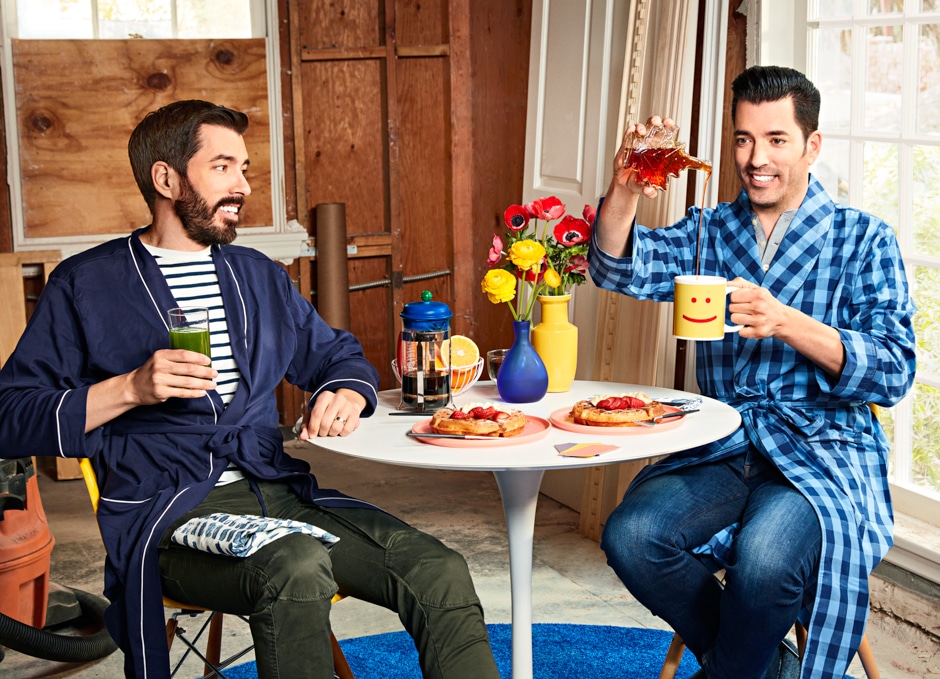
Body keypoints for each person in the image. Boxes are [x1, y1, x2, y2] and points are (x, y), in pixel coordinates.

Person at [0, 100, 500, 679]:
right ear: (166, 178)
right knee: (297, 564)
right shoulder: (85, 284)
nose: (242, 186)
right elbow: (11, 414)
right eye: (223, 168)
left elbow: (335, 354)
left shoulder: (258, 274)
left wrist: (346, 392)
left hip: (276, 490)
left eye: (244, 169)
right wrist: (131, 388)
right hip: (167, 510)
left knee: (436, 568)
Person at [589, 65, 916, 678]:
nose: (755, 158)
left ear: (811, 145)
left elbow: (894, 369)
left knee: (765, 563)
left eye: (776, 140)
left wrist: (789, 322)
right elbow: (614, 269)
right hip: (725, 442)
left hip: (825, 451)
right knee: (631, 536)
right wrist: (626, 188)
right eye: (743, 139)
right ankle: (765, 667)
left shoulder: (864, 239)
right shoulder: (711, 231)